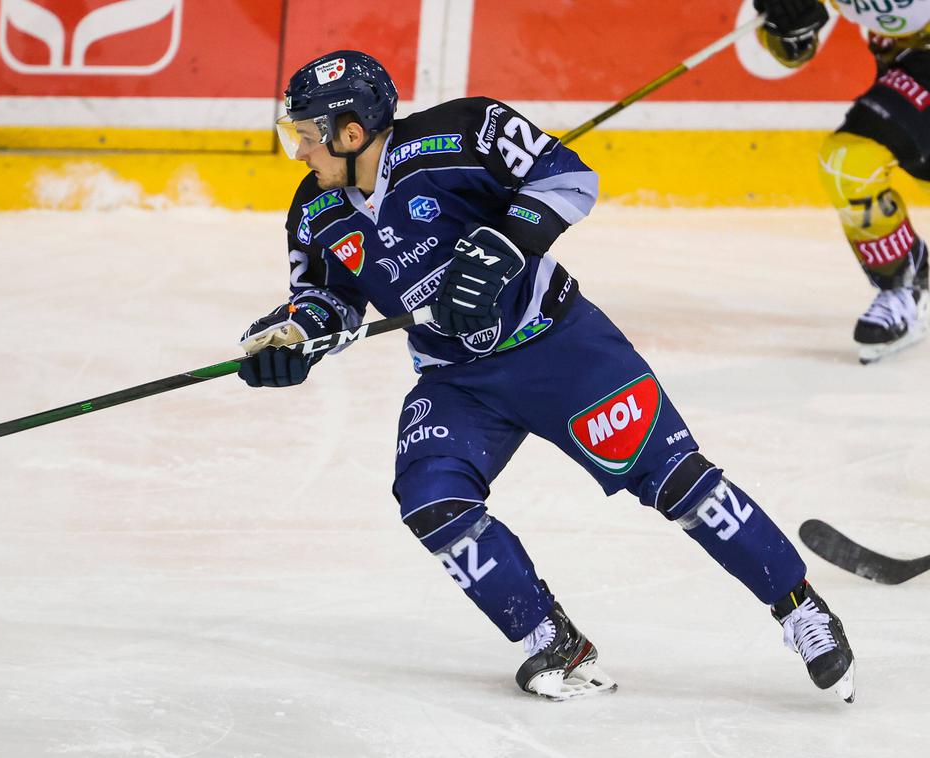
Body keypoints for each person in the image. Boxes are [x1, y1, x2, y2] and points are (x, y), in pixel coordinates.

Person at [236, 50, 855, 701]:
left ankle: (800, 607)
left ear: (351, 132)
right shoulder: (314, 212)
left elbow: (568, 178)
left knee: (680, 484)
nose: (300, 153)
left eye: (307, 137)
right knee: (431, 500)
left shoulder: (465, 132)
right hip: (458, 381)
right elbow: (329, 304)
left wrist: (505, 245)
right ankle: (552, 640)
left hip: (562, 349)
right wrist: (292, 339)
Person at [754, 0, 930, 364]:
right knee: (849, 162)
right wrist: (787, 26)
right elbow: (794, 45)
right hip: (912, 62)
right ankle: (905, 280)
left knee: (851, 159)